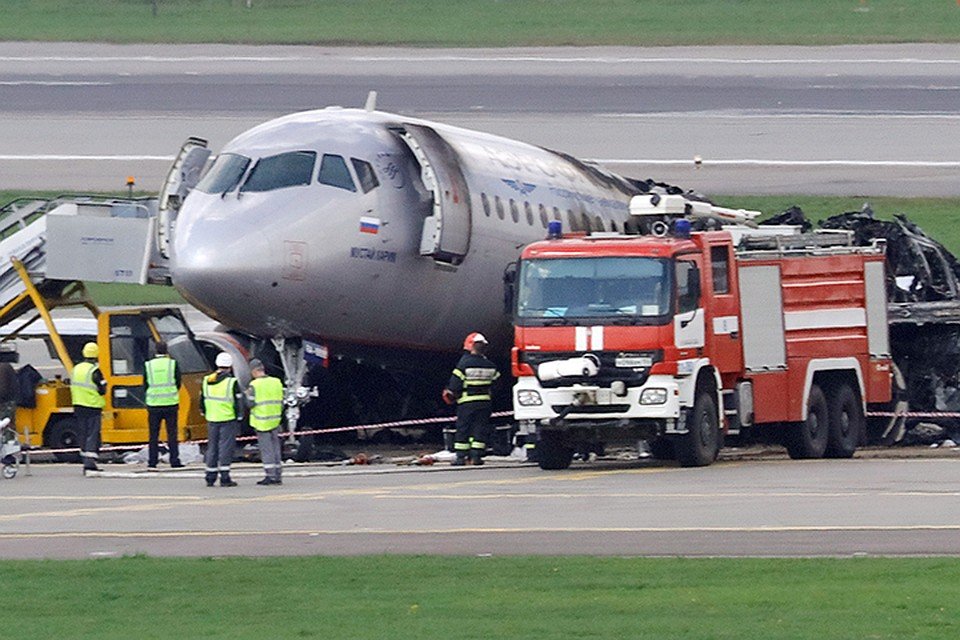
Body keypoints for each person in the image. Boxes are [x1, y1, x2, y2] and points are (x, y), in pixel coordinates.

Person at [443, 332, 500, 466]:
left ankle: (461, 458)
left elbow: (455, 385)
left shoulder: (464, 364)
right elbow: (497, 384)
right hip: (485, 403)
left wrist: (450, 394)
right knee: (480, 429)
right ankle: (477, 457)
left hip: (467, 402)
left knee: (463, 429)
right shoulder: (490, 365)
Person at [201, 352, 244, 487]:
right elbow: (238, 402)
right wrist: (239, 416)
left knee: (212, 447)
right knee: (225, 447)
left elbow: (202, 400)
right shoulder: (231, 382)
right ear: (230, 366)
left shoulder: (207, 380)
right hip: (227, 418)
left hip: (212, 418)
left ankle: (210, 476)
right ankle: (225, 476)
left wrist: (204, 412)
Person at [144, 341, 183, 469]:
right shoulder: (172, 364)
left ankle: (152, 461)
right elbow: (178, 382)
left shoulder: (148, 365)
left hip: (153, 404)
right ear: (166, 350)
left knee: (153, 435)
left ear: (155, 350)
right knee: (172, 434)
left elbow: (145, 384)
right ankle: (174, 460)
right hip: (171, 403)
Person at [245, 359, 285, 485]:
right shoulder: (276, 382)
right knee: (276, 448)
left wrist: (246, 395)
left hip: (261, 422)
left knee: (266, 450)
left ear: (253, 371)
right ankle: (278, 474)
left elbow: (249, 403)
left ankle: (270, 475)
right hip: (275, 420)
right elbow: (282, 401)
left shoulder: (254, 385)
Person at [71, 342, 106, 474]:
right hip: (92, 406)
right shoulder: (94, 370)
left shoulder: (76, 369)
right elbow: (103, 389)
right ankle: (90, 463)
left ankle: (85, 460)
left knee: (83, 434)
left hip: (79, 406)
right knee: (93, 435)